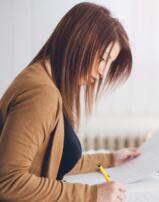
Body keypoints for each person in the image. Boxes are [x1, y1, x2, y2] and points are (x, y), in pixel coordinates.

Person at [0, 2, 140, 202]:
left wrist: (111, 158)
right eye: (103, 58)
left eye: (109, 63)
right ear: (80, 42)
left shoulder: (48, 82)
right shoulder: (41, 94)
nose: (103, 72)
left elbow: (55, 161)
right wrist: (93, 194)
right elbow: (8, 181)